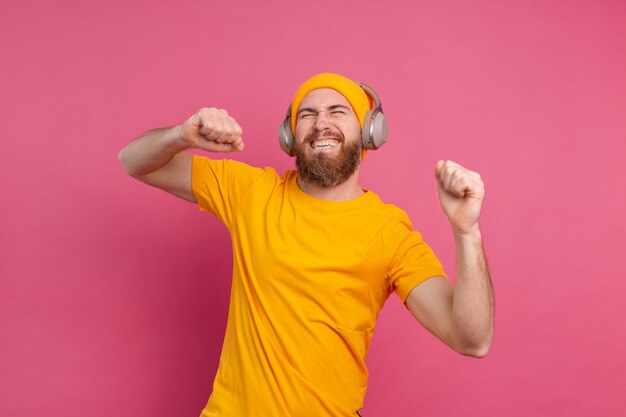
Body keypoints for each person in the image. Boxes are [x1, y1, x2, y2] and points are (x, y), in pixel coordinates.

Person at [118, 73, 494, 417]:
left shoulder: (389, 231)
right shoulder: (251, 191)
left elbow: (471, 340)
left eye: (337, 111)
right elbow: (134, 162)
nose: (320, 123)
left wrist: (467, 232)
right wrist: (181, 135)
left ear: (369, 131)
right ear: (290, 136)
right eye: (307, 114)